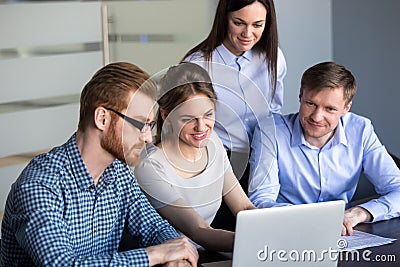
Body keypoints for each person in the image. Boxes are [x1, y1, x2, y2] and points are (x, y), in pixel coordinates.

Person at [0, 62, 198, 266]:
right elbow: (61, 264)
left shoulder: (118, 172)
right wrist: (155, 255)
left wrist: (176, 259)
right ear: (102, 118)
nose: (148, 138)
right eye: (140, 124)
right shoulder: (39, 185)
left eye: (150, 125)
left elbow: (154, 227)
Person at [249, 61, 400, 236]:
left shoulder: (360, 129)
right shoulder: (271, 131)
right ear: (300, 96)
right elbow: (261, 201)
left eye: (329, 109)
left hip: (342, 233)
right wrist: (317, 220)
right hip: (286, 232)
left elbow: (397, 189)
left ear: (346, 108)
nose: (317, 117)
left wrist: (360, 213)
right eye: (311, 104)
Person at [181, 0, 286, 230]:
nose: (248, 33)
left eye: (258, 25)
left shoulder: (273, 58)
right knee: (225, 242)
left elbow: (273, 115)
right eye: (238, 23)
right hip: (219, 165)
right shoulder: (199, 64)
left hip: (265, 162)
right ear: (224, 19)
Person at [134, 62, 255, 252]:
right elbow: (199, 231)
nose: (201, 127)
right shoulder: (150, 167)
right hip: (171, 259)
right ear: (166, 115)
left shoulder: (213, 142)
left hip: (207, 252)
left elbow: (244, 207)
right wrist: (258, 241)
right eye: (188, 119)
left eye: (208, 114)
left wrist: (271, 230)